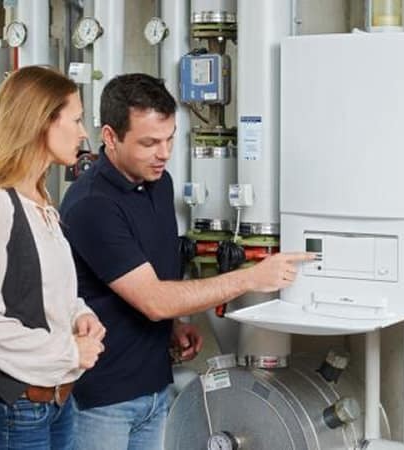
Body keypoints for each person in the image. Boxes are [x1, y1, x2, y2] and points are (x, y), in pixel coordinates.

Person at [59, 73, 312, 450]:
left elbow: (154, 270)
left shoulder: (159, 182)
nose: (163, 152)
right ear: (110, 137)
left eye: (170, 138)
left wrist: (178, 324)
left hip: (154, 389)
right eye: (149, 143)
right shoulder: (93, 204)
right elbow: (154, 300)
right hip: (103, 402)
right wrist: (251, 278)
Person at [0, 66, 106, 450]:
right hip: (8, 409)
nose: (83, 133)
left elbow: (41, 288)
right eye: (76, 119)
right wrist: (69, 351)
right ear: (41, 122)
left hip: (56, 402)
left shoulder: (40, 202)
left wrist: (80, 314)